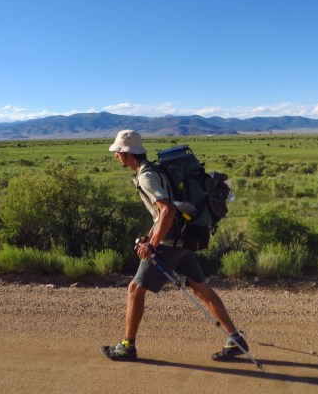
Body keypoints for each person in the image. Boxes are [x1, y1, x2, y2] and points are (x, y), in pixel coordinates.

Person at [100, 129, 249, 362]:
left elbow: (167, 210)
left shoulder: (146, 176)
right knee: (201, 289)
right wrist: (149, 236)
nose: (116, 155)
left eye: (118, 151)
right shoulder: (154, 171)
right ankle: (235, 338)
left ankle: (127, 346)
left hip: (169, 244)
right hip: (183, 239)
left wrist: (153, 245)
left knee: (134, 290)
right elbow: (162, 214)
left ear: (128, 153)